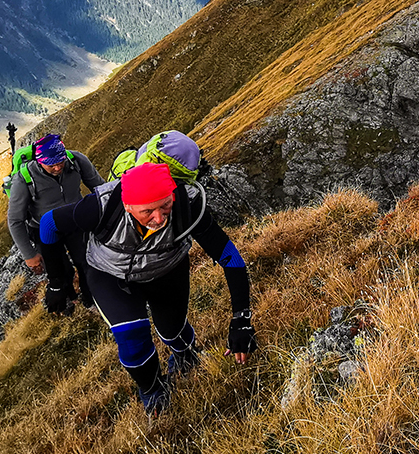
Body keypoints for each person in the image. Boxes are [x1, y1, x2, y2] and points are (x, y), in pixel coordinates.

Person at [39, 156, 257, 415]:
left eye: (165, 206)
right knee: (131, 337)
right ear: (128, 206)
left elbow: (230, 258)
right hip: (109, 275)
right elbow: (49, 224)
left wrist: (241, 319)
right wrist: (57, 282)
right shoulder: (100, 206)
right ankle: (152, 389)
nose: (159, 218)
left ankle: (185, 354)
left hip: (167, 270)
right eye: (148, 212)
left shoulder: (186, 205)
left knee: (172, 330)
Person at [6, 132, 103, 315]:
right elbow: (15, 220)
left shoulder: (76, 161)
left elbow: (98, 186)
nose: (58, 168)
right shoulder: (24, 178)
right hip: (43, 229)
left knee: (87, 263)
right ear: (39, 161)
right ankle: (68, 302)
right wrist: (29, 254)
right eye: (52, 165)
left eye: (61, 162)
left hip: (76, 222)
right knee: (60, 270)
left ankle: (91, 301)